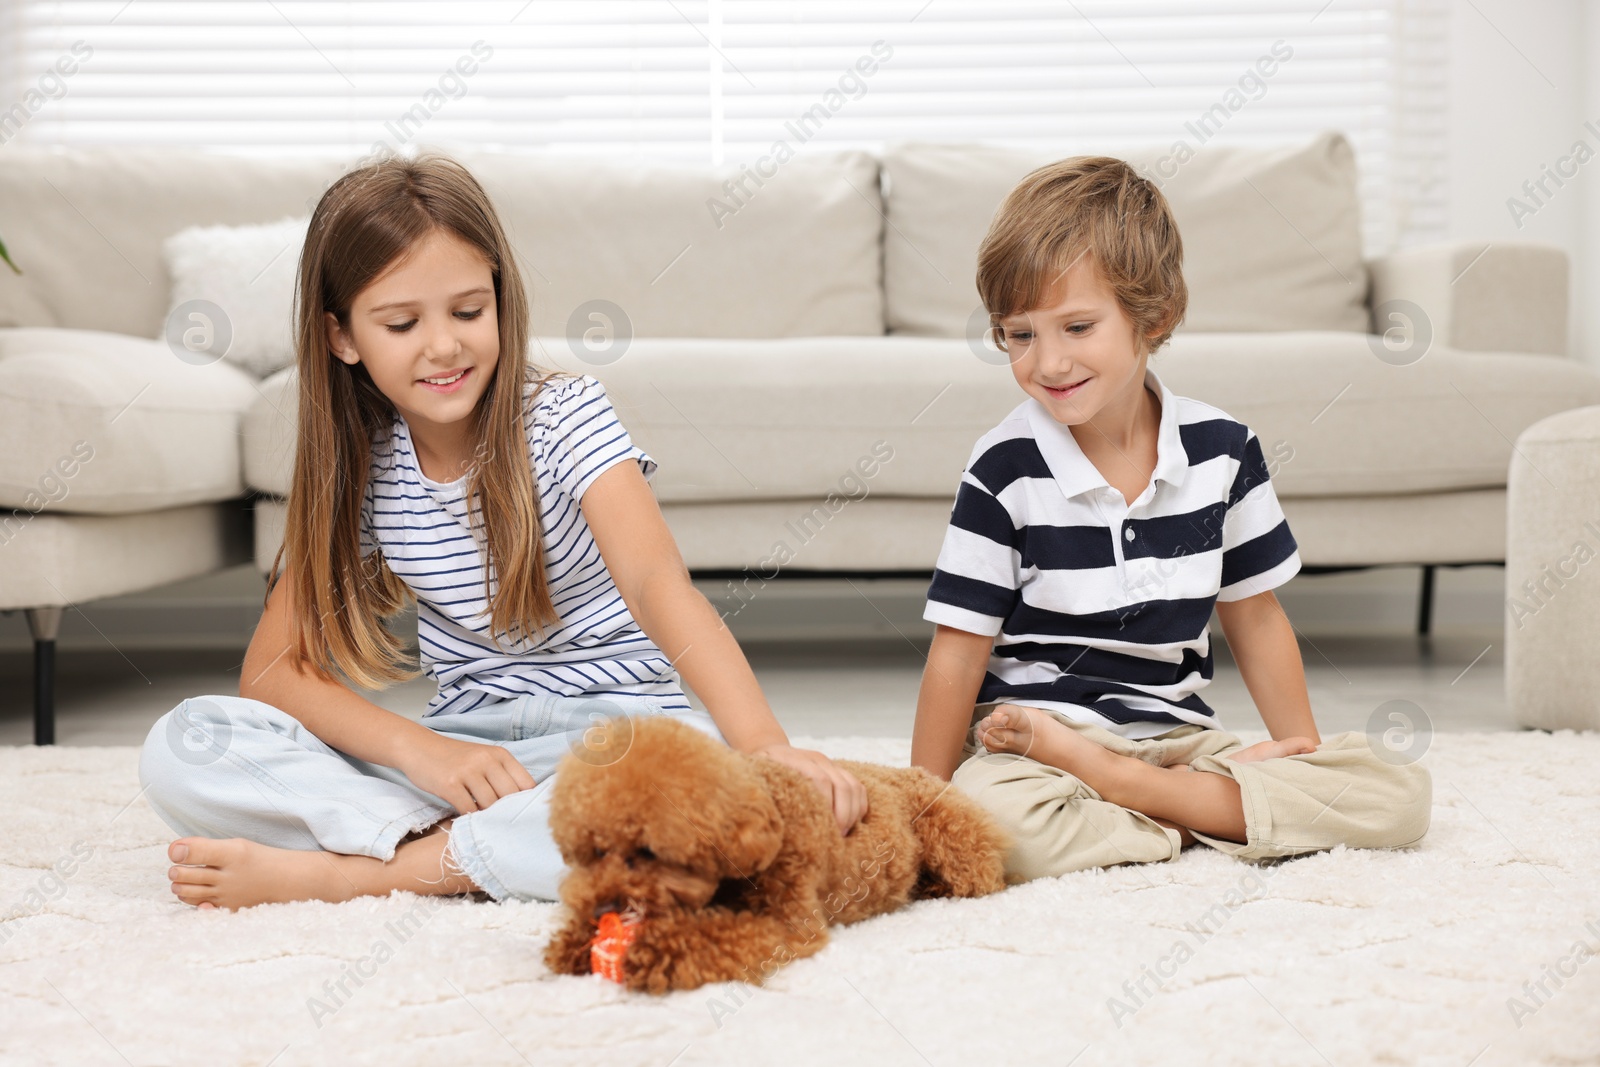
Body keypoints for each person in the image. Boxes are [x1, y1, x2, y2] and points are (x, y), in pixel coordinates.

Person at [139, 154, 867, 911]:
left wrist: (765, 748)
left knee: (692, 815)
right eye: (401, 323)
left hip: (619, 743)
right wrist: (423, 752)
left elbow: (658, 587)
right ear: (342, 336)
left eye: (467, 311)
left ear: (500, 300)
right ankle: (467, 841)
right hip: (461, 757)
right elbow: (270, 673)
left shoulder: (567, 415)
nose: (444, 345)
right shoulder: (361, 466)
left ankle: (365, 871)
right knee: (183, 743)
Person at [909, 155, 1431, 881]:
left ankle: (1143, 798)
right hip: (1041, 747)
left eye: (1077, 326)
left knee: (1397, 791)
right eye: (1020, 334)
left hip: (1180, 740)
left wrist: (1297, 758)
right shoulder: (1005, 468)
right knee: (997, 828)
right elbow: (957, 654)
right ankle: (1195, 813)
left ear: (1153, 316)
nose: (1048, 361)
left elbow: (1256, 616)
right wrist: (925, 808)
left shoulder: (1224, 451)